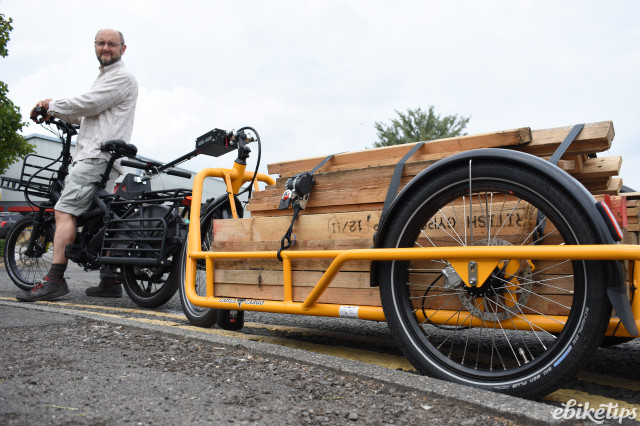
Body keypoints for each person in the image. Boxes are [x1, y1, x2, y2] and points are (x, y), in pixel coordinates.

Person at [18, 29, 138, 302]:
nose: (105, 47)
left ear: (123, 48)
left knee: (64, 211)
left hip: (94, 156)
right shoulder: (105, 78)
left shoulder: (121, 76)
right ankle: (109, 279)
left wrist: (53, 104)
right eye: (101, 43)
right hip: (104, 157)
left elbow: (90, 103)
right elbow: (92, 114)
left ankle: (55, 280)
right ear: (94, 46)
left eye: (111, 44)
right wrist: (58, 115)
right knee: (100, 219)